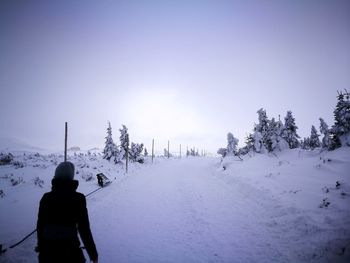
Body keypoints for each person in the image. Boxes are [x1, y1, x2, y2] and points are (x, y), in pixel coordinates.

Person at [36, 161, 98, 263]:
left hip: (47, 255)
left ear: (56, 176)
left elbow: (40, 226)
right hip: (71, 254)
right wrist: (93, 254)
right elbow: (84, 229)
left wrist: (41, 247)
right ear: (71, 177)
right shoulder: (79, 198)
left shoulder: (46, 198)